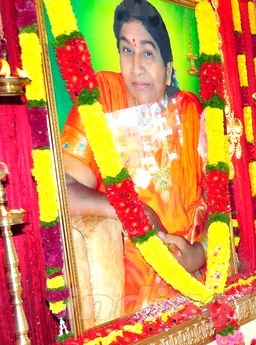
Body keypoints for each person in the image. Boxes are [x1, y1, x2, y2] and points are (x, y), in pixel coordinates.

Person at [61, 0, 207, 312]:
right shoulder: (103, 97)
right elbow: (65, 190)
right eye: (127, 50)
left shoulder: (188, 112)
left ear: (168, 70)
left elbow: (218, 200)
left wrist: (200, 254)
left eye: (148, 53)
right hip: (129, 289)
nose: (136, 66)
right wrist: (133, 210)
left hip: (195, 282)